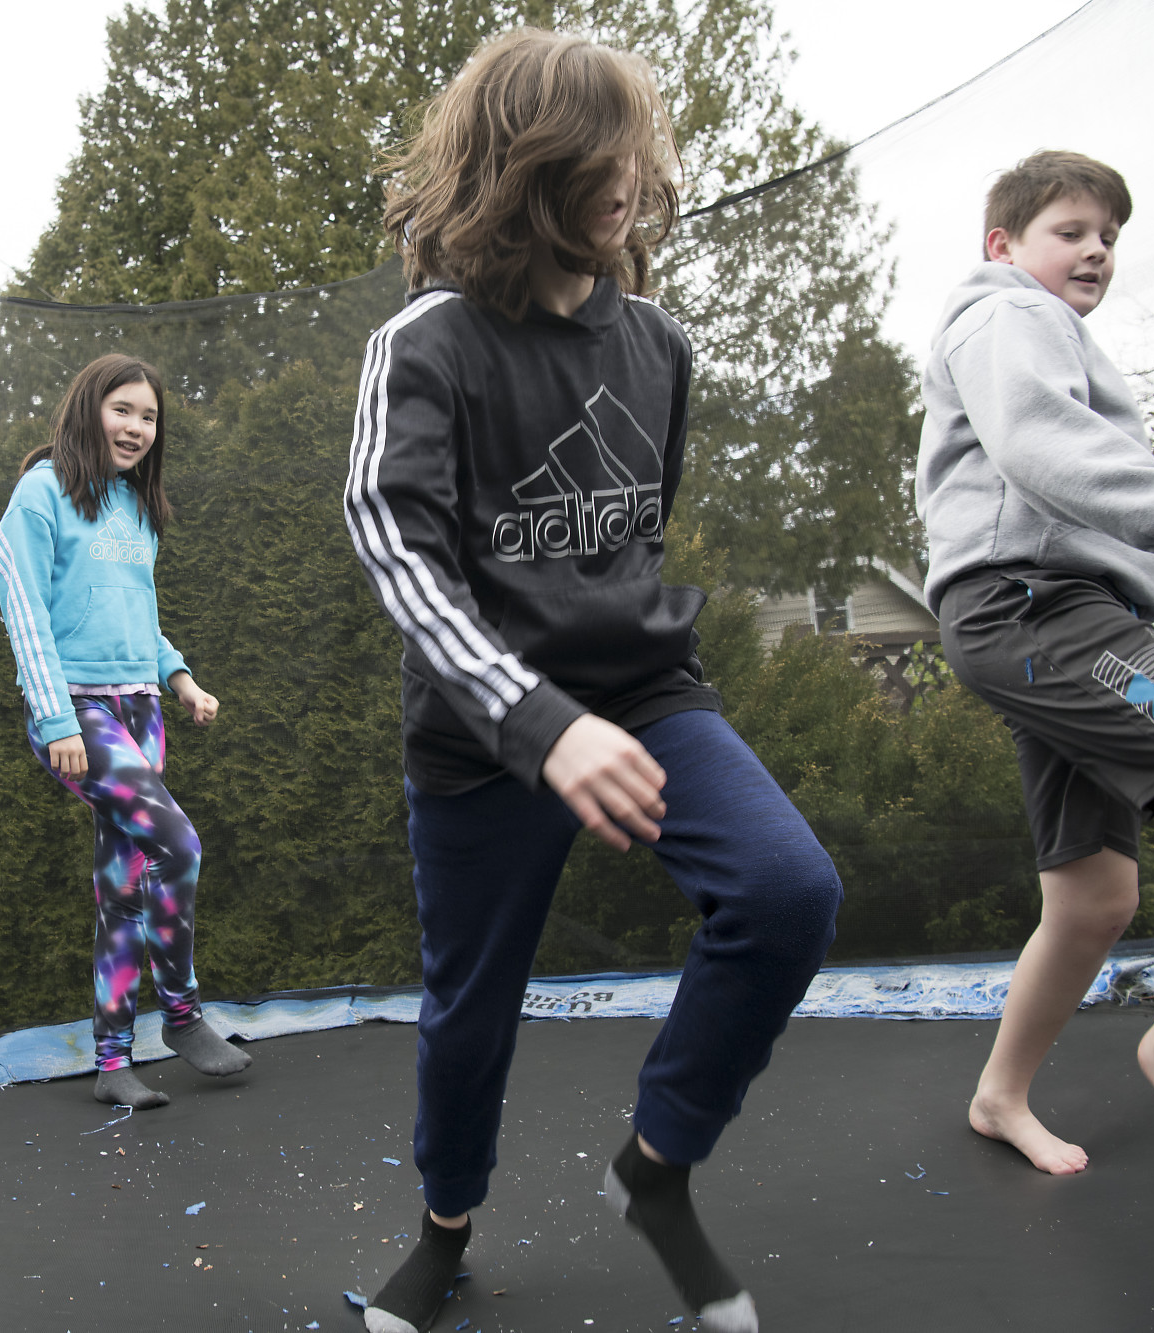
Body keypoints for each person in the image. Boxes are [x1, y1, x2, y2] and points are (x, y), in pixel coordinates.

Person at [343, 29, 843, 1333]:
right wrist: (534, 718)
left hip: (643, 698)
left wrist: (599, 708)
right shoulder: (428, 344)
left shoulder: (658, 347)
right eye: (592, 155)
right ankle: (443, 1229)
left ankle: (656, 1172)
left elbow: (631, 542)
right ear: (520, 172)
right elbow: (396, 546)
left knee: (788, 893)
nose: (625, 176)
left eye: (633, 150)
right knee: (470, 1012)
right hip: (485, 731)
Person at [919, 150, 1154, 1190]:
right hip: (1026, 609)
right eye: (1070, 231)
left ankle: (998, 1093)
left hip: (1053, 612)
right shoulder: (1007, 312)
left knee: (1093, 896)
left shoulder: (1041, 328)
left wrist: (1130, 619)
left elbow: (1039, 503)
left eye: (1108, 236)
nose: (1095, 250)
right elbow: (1039, 448)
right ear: (1002, 245)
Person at [0, 353, 250, 1110]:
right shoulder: (41, 494)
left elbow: (138, 613)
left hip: (141, 709)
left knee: (125, 885)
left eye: (149, 416)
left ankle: (112, 1063)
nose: (136, 427)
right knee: (179, 844)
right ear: (88, 409)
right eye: (122, 410)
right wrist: (55, 718)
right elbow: (23, 605)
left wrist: (181, 679)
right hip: (78, 711)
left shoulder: (136, 507)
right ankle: (182, 1013)